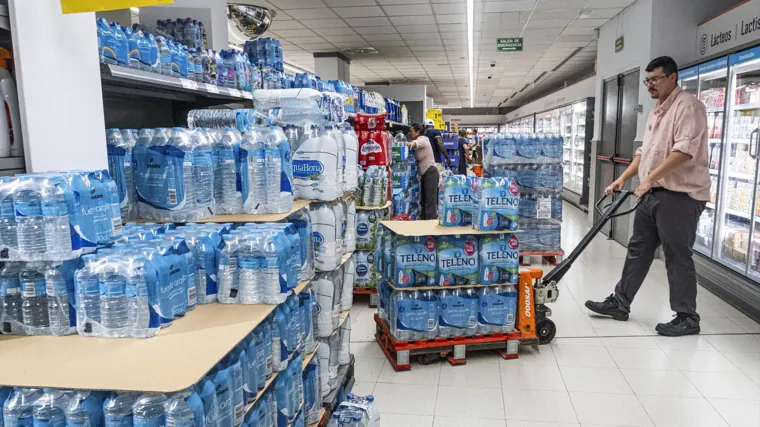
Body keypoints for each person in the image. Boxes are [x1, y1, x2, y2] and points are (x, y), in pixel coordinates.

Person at [585, 56, 710, 337]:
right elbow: (645, 153)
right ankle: (620, 302)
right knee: (638, 248)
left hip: (680, 195)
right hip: (653, 193)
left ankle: (687, 317)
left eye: (655, 79)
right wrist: (622, 178)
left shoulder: (688, 107)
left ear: (672, 77)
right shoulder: (656, 112)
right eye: (647, 80)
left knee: (677, 256)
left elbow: (683, 152)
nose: (650, 85)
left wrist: (651, 178)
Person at [408, 123, 440, 220]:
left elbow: (414, 144)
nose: (409, 133)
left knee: (430, 201)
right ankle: (425, 223)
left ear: (418, 132)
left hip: (430, 173)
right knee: (425, 200)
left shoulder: (422, 139)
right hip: (426, 174)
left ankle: (430, 226)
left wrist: (399, 143)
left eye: (411, 131)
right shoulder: (419, 139)